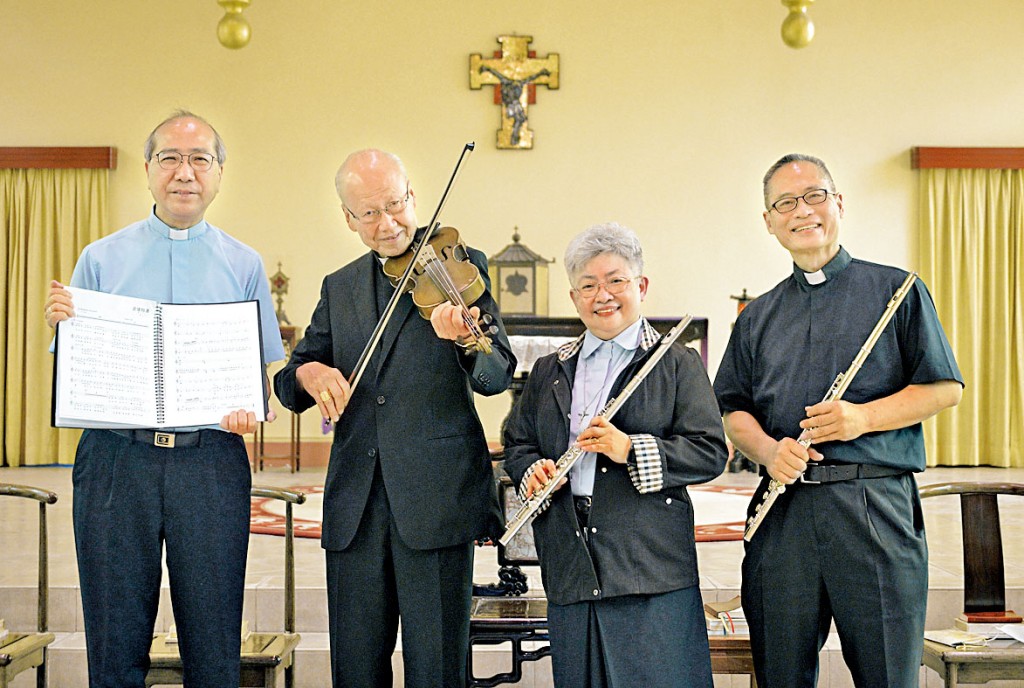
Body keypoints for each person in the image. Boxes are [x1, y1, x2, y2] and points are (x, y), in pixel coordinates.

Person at [43, 110, 286, 687]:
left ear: (219, 173)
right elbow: (75, 365)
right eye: (170, 159)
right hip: (114, 462)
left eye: (200, 159)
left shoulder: (244, 264)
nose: (185, 173)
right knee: (114, 629)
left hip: (209, 462)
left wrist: (249, 408)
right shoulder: (100, 258)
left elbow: (256, 374)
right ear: (149, 170)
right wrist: (66, 325)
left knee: (214, 633)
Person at [713, 153, 964, 688]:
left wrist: (861, 418)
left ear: (838, 203)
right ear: (768, 221)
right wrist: (766, 452)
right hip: (784, 513)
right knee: (780, 673)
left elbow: (945, 387)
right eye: (785, 203)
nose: (801, 211)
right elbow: (733, 410)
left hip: (872, 507)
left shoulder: (897, 291)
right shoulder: (757, 315)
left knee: (888, 675)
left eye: (814, 196)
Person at [273, 149, 516, 687]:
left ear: (412, 196)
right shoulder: (339, 287)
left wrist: (468, 345)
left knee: (437, 668)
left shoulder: (459, 263)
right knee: (356, 670)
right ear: (348, 219)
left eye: (395, 204)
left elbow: (497, 373)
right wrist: (311, 374)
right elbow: (290, 384)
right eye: (369, 213)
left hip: (435, 500)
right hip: (356, 506)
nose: (387, 224)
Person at [502, 222, 728, 688]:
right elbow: (518, 442)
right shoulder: (550, 368)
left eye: (615, 281)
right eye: (588, 285)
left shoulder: (675, 361)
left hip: (648, 563)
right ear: (574, 297)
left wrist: (629, 449)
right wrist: (532, 472)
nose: (602, 295)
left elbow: (709, 451)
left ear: (640, 286)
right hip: (570, 557)